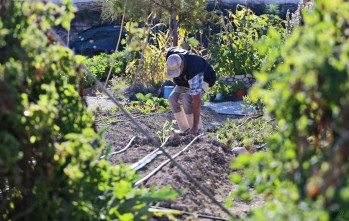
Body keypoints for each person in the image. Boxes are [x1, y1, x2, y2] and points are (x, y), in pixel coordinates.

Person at [165, 47, 216, 136]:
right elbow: (174, 46)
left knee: (188, 99)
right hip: (185, 80)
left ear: (182, 65)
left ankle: (198, 130)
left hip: (204, 78)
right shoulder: (171, 56)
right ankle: (185, 130)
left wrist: (195, 126)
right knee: (172, 99)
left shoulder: (194, 68)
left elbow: (196, 100)